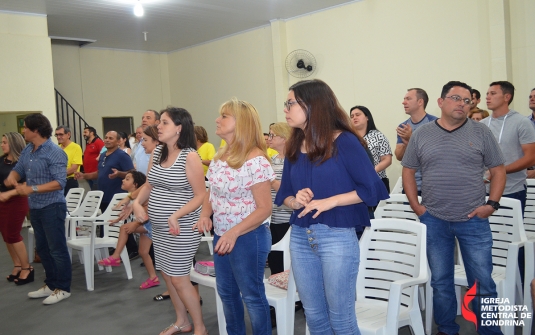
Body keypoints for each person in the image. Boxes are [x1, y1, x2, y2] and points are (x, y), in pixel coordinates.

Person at [274, 79, 389, 334]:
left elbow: (371, 188)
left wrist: (331, 201)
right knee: (314, 316)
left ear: (312, 104)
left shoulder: (344, 141)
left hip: (336, 236)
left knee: (341, 318)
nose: (285, 109)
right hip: (301, 237)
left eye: (290, 103)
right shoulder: (295, 143)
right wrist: (296, 200)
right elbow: (285, 193)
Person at [402, 81, 506, 335]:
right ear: (440, 102)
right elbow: (408, 169)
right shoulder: (423, 135)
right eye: (456, 98)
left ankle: (490, 331)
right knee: (440, 282)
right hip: (434, 219)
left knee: (484, 283)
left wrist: (491, 204)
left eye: (467, 100)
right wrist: (417, 206)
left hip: (473, 219)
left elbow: (498, 170)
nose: (462, 104)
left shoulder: (481, 133)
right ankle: (447, 329)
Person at [194, 99, 275, 335]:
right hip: (223, 234)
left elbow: (264, 208)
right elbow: (212, 191)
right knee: (227, 294)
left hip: (248, 236)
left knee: (251, 295)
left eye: (224, 116)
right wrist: (205, 214)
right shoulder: (221, 154)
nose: (217, 120)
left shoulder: (255, 159)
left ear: (241, 124)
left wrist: (233, 231)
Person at [133, 107, 207, 335]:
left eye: (164, 122)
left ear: (179, 128)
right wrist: (136, 203)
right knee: (167, 274)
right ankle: (181, 321)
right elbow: (148, 185)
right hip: (160, 226)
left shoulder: (190, 156)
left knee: (179, 279)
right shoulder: (158, 153)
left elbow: (201, 195)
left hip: (181, 227)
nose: (158, 127)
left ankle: (200, 327)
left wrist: (176, 214)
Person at [4, 114, 71, 305]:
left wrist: (30, 189)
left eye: (25, 128)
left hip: (52, 206)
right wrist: (13, 177)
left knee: (56, 249)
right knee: (42, 248)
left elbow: (59, 183)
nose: (22, 131)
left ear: (36, 131)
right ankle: (50, 284)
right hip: (35, 207)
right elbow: (19, 168)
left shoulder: (55, 152)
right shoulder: (28, 149)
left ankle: (63, 287)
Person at [97, 170, 159, 289]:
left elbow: (150, 213)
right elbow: (127, 213)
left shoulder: (144, 196)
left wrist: (136, 224)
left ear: (135, 185)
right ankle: (153, 278)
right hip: (146, 224)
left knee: (124, 228)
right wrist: (117, 219)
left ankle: (115, 256)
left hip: (150, 223)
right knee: (143, 252)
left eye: (127, 179)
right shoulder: (133, 198)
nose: (123, 180)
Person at [483, 81, 535, 214]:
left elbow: (531, 158)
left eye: (493, 93)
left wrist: (499, 171)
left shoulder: (521, 122)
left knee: (511, 233)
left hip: (512, 190)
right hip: (483, 191)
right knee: (489, 233)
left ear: (507, 97)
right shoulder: (482, 124)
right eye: (487, 94)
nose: (487, 97)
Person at [0, 132, 31, 285]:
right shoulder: (1, 161)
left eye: (4, 142)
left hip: (17, 201)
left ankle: (27, 267)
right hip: (2, 201)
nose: (2, 145)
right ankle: (17, 265)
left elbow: (28, 184)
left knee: (13, 234)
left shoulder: (22, 163)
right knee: (6, 235)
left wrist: (10, 193)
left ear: (12, 143)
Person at [395, 88, 437, 195]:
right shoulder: (403, 127)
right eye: (404, 99)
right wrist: (406, 144)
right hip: (410, 186)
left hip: (432, 186)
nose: (403, 102)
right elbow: (399, 156)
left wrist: (411, 138)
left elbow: (435, 155)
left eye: (408, 99)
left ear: (420, 102)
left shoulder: (435, 124)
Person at [266, 122, 293, 275]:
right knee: (274, 258)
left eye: (272, 135)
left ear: (284, 138)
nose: (269, 138)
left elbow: (290, 187)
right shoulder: (272, 159)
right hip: (271, 217)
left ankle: (290, 296)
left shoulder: (293, 160)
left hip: (287, 217)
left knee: (287, 259)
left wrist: (271, 181)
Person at [350, 105, 392, 192]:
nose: (354, 118)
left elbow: (387, 159)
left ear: (367, 117)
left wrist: (371, 171)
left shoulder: (378, 136)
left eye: (358, 115)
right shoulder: (349, 138)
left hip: (377, 180)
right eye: (352, 116)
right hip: (355, 183)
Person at [55, 125, 83, 196]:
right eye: (57, 135)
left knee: (71, 206)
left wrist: (57, 174)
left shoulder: (76, 147)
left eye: (61, 134)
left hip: (70, 181)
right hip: (57, 182)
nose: (58, 137)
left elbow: (74, 168)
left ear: (68, 135)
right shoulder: (56, 148)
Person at [82, 126, 104, 190]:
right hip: (88, 173)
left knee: (97, 192)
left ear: (91, 133)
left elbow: (104, 152)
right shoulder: (88, 144)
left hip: (95, 173)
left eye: (85, 132)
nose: (84, 134)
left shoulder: (98, 142)